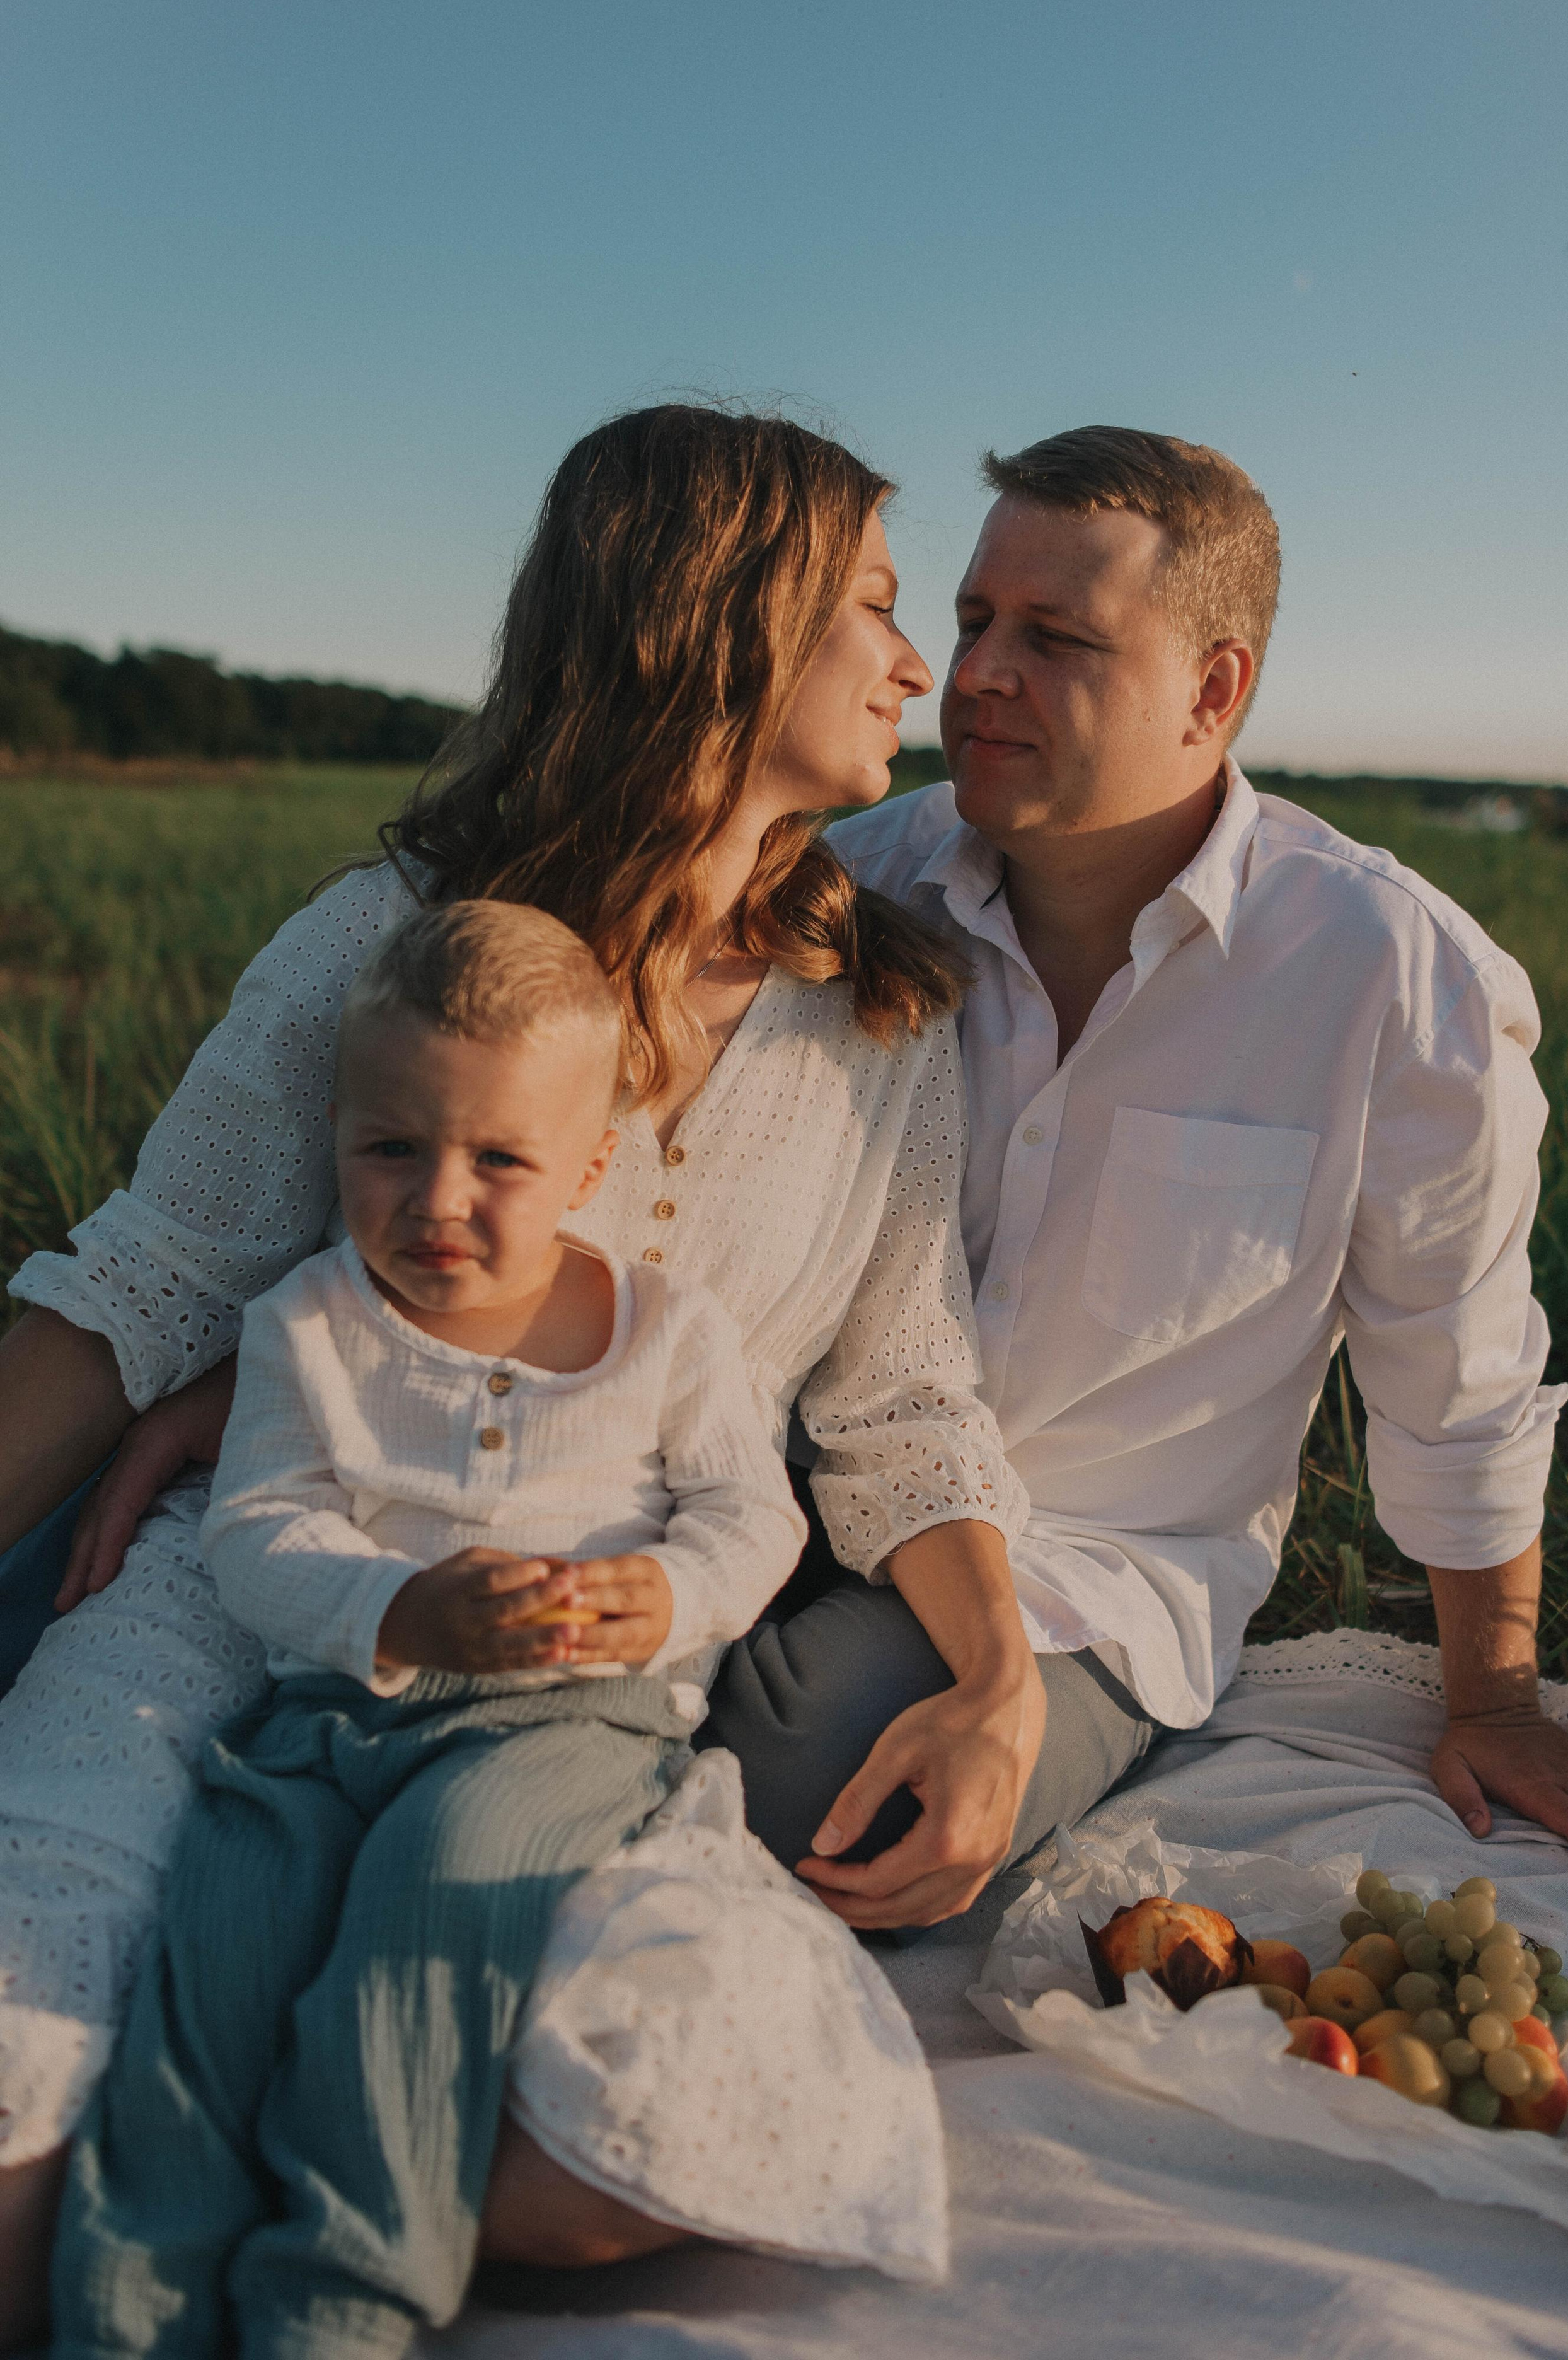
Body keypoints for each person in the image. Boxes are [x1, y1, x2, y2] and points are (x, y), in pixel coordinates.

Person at [0, 407, 1047, 2345]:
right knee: (16, 2132)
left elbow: (901, 1407)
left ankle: (281, 2188)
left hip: (573, 1695)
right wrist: (261, 1366)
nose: (923, 665)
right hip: (244, 1610)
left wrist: (1001, 1682)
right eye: (880, 610)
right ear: (712, 627)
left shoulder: (880, 1018)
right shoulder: (392, 937)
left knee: (604, 2151)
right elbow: (146, 1281)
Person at [778, 421, 1568, 1948]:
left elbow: (1456, 1373)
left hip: (1087, 1581)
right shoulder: (850, 888)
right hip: (787, 1493)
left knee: (807, 1773)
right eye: (969, 621)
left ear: (1212, 690)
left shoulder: (1385, 972)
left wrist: (1490, 1697)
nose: (971, 675)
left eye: (1053, 637)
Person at [50, 898, 814, 2358]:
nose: (436, 1200)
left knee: (427, 1908)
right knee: (218, 1939)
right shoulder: (308, 1326)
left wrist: (668, 1596)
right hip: (326, 1716)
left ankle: (340, 2304)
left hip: (565, 1718)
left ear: (589, 1165)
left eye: (500, 1161)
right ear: (337, 1136)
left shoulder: (661, 1329)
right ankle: (132, 2307)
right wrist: (396, 1602)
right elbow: (256, 1529)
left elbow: (749, 1516)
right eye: (389, 1148)